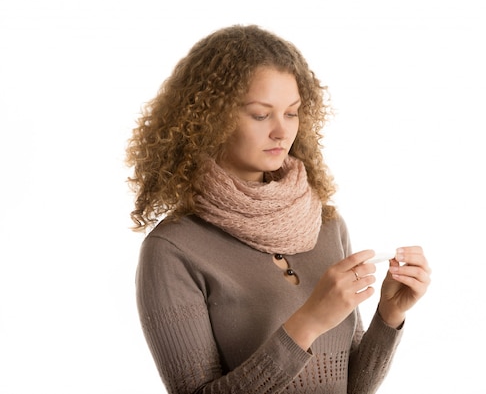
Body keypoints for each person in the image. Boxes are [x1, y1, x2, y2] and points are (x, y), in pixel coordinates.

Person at [126, 24, 431, 394]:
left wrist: (389, 315)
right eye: (260, 114)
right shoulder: (173, 249)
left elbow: (351, 386)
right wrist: (309, 322)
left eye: (292, 113)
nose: (281, 132)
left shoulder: (327, 224)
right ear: (209, 119)